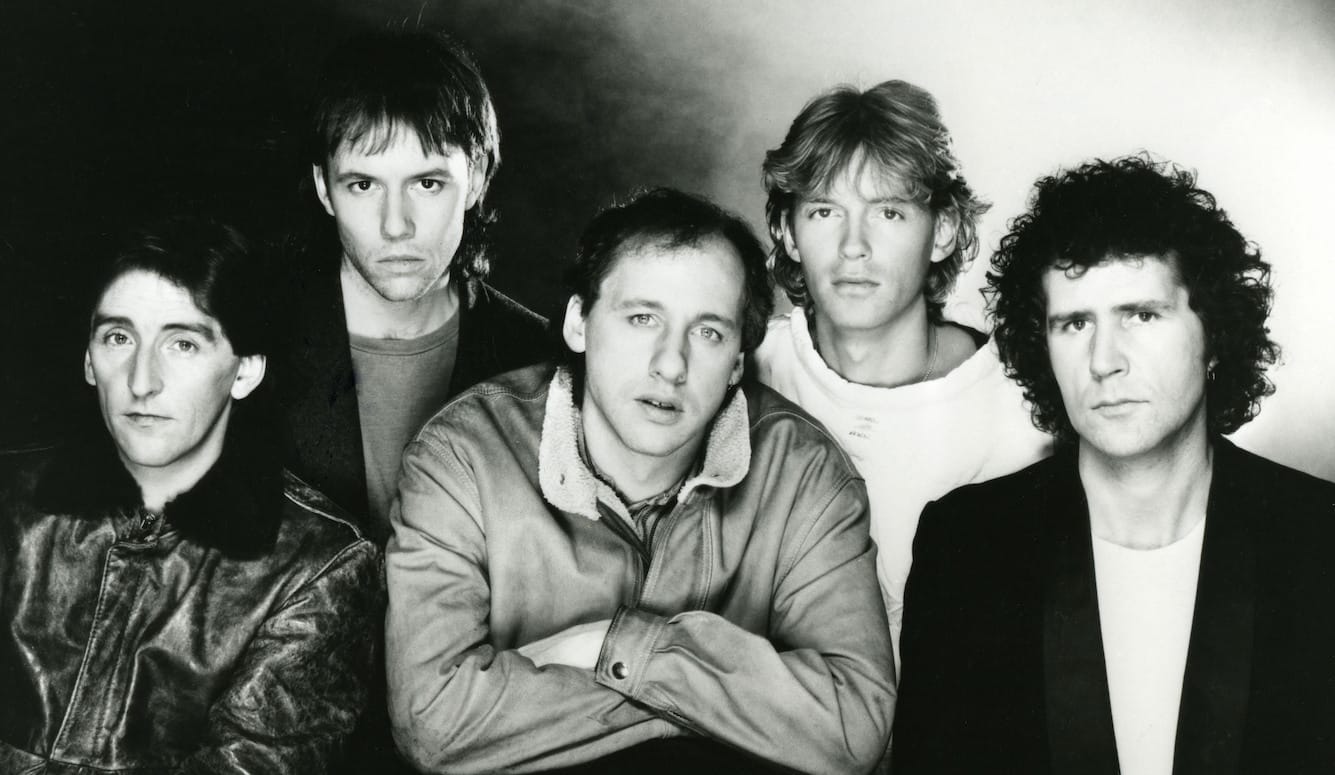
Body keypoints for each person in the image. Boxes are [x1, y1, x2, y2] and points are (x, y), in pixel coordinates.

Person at [385, 188, 895, 774]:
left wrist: (608, 648)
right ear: (579, 323)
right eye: (642, 318)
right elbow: (433, 724)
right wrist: (733, 706)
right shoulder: (462, 458)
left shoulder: (806, 473)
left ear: (735, 363)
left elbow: (855, 729)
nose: (671, 364)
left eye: (708, 332)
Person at [892, 155, 1335, 773]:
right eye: (1074, 323)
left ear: (1213, 334)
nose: (1104, 360)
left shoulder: (1319, 541)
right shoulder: (966, 547)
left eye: (1141, 315)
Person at [0, 217, 380, 772]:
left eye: (182, 343)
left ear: (246, 369)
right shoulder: (10, 502)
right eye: (118, 338)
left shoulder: (318, 565)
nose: (142, 380)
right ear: (88, 359)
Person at [753, 80, 1051, 667]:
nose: (853, 246)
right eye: (823, 211)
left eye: (888, 211)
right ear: (788, 232)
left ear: (941, 231)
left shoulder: (1027, 407)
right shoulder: (743, 372)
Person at [284, 28, 548, 540]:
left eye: (426, 184)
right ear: (324, 188)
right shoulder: (250, 339)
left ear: (474, 179)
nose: (395, 225)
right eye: (363, 185)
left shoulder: (542, 361)